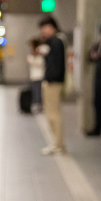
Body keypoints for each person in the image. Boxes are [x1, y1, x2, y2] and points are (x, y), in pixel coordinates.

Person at [39, 16, 67, 155]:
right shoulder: (54, 42)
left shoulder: (56, 42)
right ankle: (57, 142)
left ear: (51, 27)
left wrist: (50, 79)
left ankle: (58, 144)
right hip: (52, 81)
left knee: (53, 113)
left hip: (53, 82)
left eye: (44, 28)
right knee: (52, 113)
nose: (43, 31)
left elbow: (56, 65)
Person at [26, 38, 46, 113]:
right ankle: (35, 104)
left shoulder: (41, 55)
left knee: (38, 92)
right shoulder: (32, 56)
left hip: (39, 76)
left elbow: (39, 63)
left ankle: (39, 105)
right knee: (34, 91)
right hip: (33, 76)